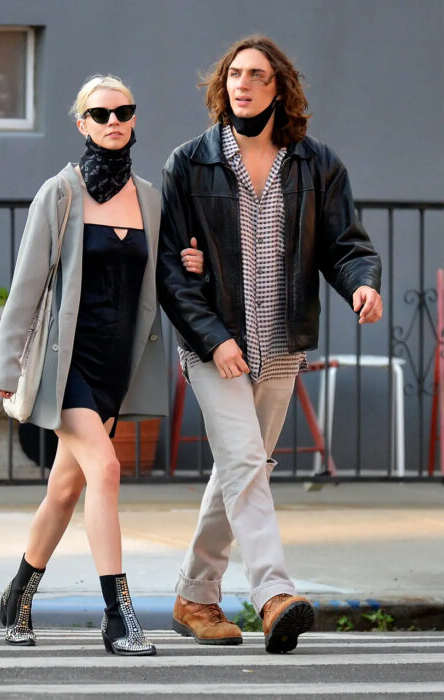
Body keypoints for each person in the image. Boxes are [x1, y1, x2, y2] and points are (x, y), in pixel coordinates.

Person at [156, 35, 382, 654]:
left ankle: (194, 596)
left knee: (240, 468)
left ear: (279, 88)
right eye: (235, 75)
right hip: (214, 345)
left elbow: (345, 245)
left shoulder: (316, 164)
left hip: (281, 345)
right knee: (246, 464)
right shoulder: (189, 164)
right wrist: (213, 339)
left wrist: (362, 284)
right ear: (223, 85)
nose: (243, 84)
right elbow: (172, 270)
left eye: (257, 75)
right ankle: (274, 592)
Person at [0, 75, 203, 656]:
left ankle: (17, 594)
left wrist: (192, 264)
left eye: (123, 111)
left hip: (115, 367)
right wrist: (5, 368)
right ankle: (118, 616)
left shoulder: (150, 198)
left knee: (64, 490)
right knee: (106, 470)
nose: (114, 122)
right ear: (82, 123)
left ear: (133, 119)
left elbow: (164, 279)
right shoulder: (61, 193)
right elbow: (27, 285)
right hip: (67, 367)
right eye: (101, 113)